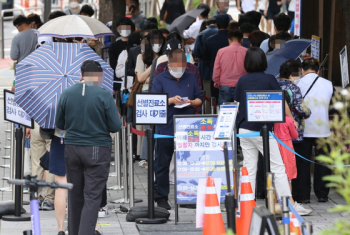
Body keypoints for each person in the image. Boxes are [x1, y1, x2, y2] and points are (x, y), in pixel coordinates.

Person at [55, 60, 122, 235]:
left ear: (81, 75)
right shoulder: (104, 95)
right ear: (99, 77)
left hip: (72, 148)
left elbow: (59, 123)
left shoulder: (67, 93)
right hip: (97, 149)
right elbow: (115, 126)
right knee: (92, 197)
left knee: (75, 195)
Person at [234, 47, 292, 200]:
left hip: (244, 129)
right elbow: (282, 102)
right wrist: (291, 118)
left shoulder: (242, 80)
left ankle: (245, 204)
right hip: (263, 131)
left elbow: (236, 103)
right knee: (277, 167)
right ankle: (287, 204)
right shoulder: (269, 79)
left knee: (249, 167)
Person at [152, 49, 203, 209]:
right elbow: (154, 101)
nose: (180, 68)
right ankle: (161, 197)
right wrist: (170, 101)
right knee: (162, 164)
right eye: (177, 64)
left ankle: (187, 197)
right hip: (165, 129)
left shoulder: (191, 77)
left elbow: (200, 98)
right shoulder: (159, 79)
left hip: (187, 128)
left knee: (188, 163)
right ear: (169, 64)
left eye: (183, 65)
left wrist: (192, 102)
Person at [293, 58, 333, 203]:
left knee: (303, 163)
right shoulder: (328, 84)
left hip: (303, 129)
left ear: (302, 70)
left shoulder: (297, 83)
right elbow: (332, 105)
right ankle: (322, 194)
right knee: (323, 162)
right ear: (318, 70)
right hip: (323, 129)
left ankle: (303, 196)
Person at [274, 94, 313, 215]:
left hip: (275, 147)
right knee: (288, 177)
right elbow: (295, 135)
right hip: (287, 148)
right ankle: (289, 203)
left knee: (277, 175)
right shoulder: (289, 120)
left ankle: (276, 201)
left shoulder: (273, 119)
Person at [212, 30, 247, 105]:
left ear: (229, 39)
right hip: (242, 86)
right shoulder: (247, 51)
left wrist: (217, 82)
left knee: (224, 112)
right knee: (241, 112)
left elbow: (216, 70)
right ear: (241, 39)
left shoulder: (221, 51)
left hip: (225, 85)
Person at [203, 13, 230, 102]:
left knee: (216, 102)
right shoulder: (231, 39)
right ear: (228, 24)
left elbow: (206, 58)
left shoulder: (210, 40)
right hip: (231, 77)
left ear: (216, 25)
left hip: (214, 77)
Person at [193, 18, 218, 113]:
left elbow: (196, 52)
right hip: (221, 72)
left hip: (205, 70)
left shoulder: (201, 34)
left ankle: (208, 113)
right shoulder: (223, 34)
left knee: (207, 93)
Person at [109, 17, 135, 91]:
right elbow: (113, 65)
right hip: (119, 81)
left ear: (132, 29)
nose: (125, 30)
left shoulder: (136, 45)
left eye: (127, 27)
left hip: (135, 81)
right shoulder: (113, 46)